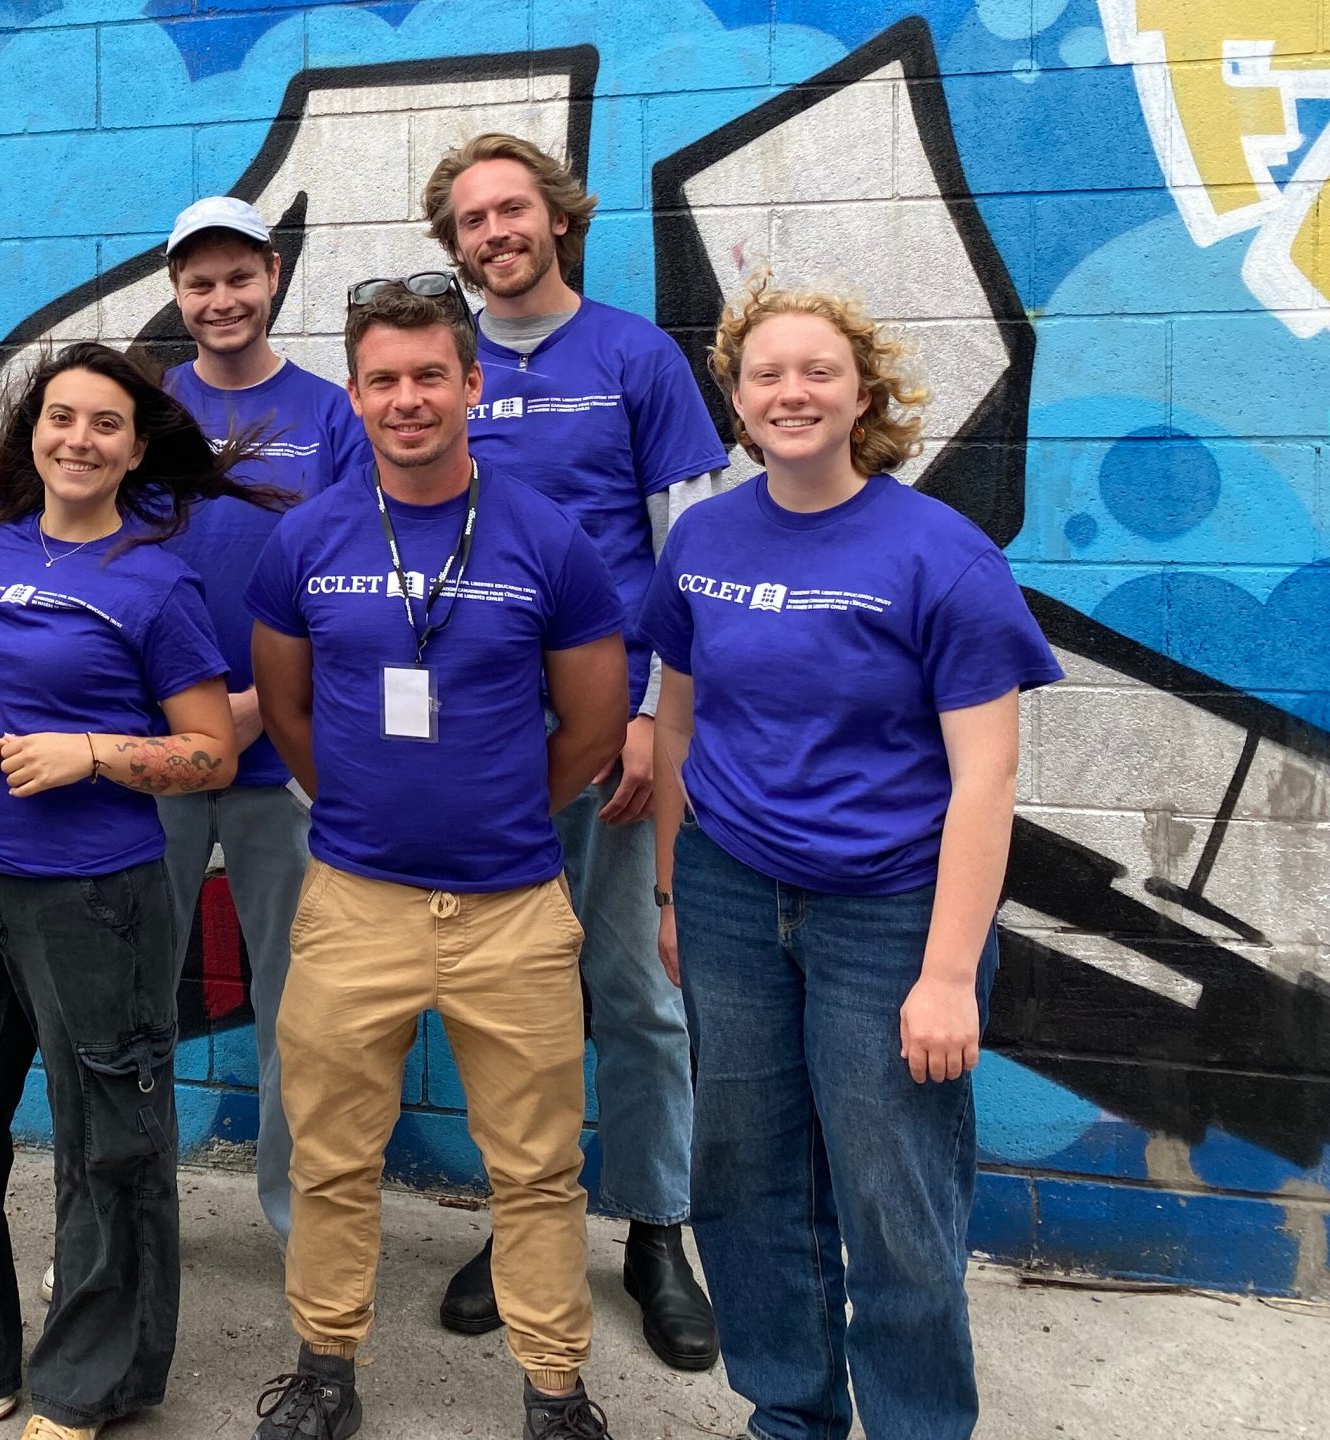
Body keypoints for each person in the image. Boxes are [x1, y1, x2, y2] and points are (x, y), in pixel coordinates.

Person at [644, 278, 1059, 1440]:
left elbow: (985, 779)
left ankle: (916, 1425)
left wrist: (946, 973)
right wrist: (673, 893)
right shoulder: (702, 540)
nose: (792, 392)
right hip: (729, 896)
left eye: (817, 371)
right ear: (735, 401)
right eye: (764, 374)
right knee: (744, 1178)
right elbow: (675, 725)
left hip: (890, 917)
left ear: (861, 394)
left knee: (892, 1197)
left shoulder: (941, 555)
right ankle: (790, 1415)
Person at [0, 342, 281, 1440]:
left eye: (103, 423)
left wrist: (92, 752)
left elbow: (209, 751)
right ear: (32, 433)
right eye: (60, 417)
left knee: (108, 1148)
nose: (77, 439)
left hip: (93, 901)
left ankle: (90, 1385)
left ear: (134, 450)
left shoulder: (155, 582)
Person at [245, 278, 630, 1440]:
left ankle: (555, 1391)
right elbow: (286, 709)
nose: (406, 399)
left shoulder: (546, 538)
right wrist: (366, 808)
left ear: (471, 384)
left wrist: (498, 814)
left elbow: (594, 728)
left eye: (428, 376)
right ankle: (324, 1370)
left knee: (537, 1169)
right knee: (329, 1160)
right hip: (352, 902)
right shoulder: (305, 538)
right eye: (383, 380)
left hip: (511, 907)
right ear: (354, 396)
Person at [421, 132, 727, 1369]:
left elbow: (692, 548)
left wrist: (652, 714)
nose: (493, 233)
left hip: (616, 738)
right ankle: (524, 1224)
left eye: (511, 209)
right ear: (452, 245)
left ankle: (657, 1229)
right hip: (483, 742)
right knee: (509, 998)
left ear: (557, 217)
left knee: (637, 994)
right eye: (470, 220)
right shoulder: (443, 368)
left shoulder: (634, 357)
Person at [153, 196, 370, 1246]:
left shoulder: (332, 415)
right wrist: (188, 721)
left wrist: (251, 712)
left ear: (273, 276)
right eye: (199, 283)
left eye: (239, 277)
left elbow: (360, 580)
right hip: (156, 753)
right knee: (134, 996)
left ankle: (299, 1229)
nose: (221, 299)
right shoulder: (148, 410)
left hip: (282, 753)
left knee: (300, 1005)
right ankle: (132, 1223)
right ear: (176, 293)